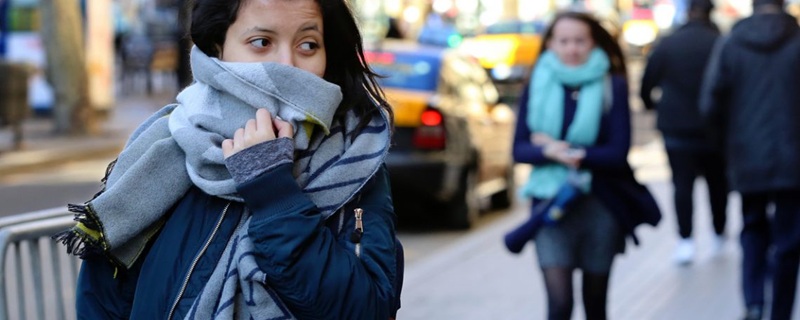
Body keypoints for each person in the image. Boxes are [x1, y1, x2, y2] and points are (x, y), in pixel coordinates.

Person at [54, 0, 403, 319]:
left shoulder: (353, 161)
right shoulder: (166, 143)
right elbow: (103, 297)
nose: (287, 65)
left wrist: (274, 193)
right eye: (262, 42)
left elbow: (369, 307)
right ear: (217, 48)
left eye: (308, 45)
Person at [511, 11, 660, 320]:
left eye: (580, 41)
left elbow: (617, 152)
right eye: (564, 41)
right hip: (550, 205)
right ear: (550, 43)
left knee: (595, 304)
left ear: (594, 43)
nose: (572, 48)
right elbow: (520, 149)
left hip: (600, 204)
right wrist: (551, 152)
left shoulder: (612, 85)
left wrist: (567, 152)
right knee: (560, 305)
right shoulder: (537, 81)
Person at [700, 0, 800, 319]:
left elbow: (710, 103)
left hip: (746, 155)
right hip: (793, 158)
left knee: (753, 227)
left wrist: (726, 146)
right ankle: (780, 311)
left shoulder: (730, 44)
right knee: (789, 239)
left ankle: (754, 301)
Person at [639, 0, 728, 266]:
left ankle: (685, 240)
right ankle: (719, 234)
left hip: (677, 127)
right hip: (714, 128)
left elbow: (647, 83)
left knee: (682, 185)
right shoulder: (720, 42)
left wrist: (652, 106)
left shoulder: (669, 43)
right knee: (717, 183)